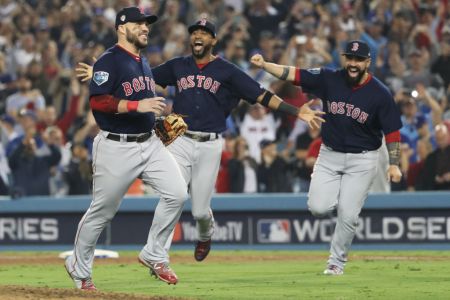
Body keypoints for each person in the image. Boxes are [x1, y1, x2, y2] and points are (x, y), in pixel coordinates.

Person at [77, 19, 325, 262]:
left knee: (199, 211)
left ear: (213, 40)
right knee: (172, 195)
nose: (198, 36)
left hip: (210, 143)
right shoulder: (178, 65)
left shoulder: (227, 71)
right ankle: (157, 256)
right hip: (179, 139)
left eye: (205, 33)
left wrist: (296, 111)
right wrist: (102, 75)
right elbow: (140, 79)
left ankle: (205, 233)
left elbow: (261, 95)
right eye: (195, 32)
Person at [251, 40, 402, 275]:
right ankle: (343, 199)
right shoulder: (329, 78)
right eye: (349, 58)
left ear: (367, 62)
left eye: (358, 59)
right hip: (330, 154)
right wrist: (265, 65)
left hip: (363, 159)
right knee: (318, 208)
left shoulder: (380, 93)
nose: (353, 64)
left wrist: (394, 164)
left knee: (349, 215)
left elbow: (392, 132)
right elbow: (294, 74)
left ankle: (336, 262)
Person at [64, 7, 188, 289]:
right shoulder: (110, 60)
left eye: (147, 24)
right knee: (102, 212)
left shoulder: (141, 61)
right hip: (116, 147)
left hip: (150, 142)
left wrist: (155, 120)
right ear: (122, 27)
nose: (145, 28)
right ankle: (79, 268)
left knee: (178, 194)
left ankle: (154, 253)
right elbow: (98, 103)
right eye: (139, 23)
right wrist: (137, 105)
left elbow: (128, 92)